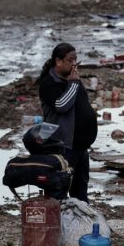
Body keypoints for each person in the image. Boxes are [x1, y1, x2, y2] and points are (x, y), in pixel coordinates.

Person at [38, 43, 97, 203]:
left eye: (75, 60)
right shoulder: (49, 83)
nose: (74, 64)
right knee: (60, 191)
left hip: (80, 148)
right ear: (58, 61)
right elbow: (61, 105)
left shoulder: (73, 81)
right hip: (63, 147)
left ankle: (81, 225)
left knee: (80, 191)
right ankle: (57, 225)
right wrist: (73, 84)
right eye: (70, 60)